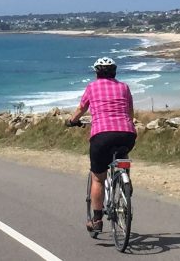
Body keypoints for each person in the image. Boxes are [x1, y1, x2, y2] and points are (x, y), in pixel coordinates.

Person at [66, 57, 136, 233]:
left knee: (98, 177)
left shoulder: (92, 87)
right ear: (114, 72)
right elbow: (130, 112)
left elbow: (81, 109)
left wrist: (71, 121)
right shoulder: (124, 87)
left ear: (97, 73)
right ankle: (125, 180)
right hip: (127, 134)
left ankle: (97, 220)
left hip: (102, 135)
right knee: (121, 153)